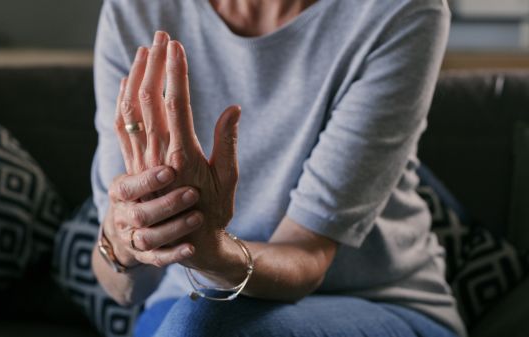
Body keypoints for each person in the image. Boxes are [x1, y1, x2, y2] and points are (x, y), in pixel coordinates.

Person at [90, 0, 466, 336]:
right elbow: (125, 288)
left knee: (202, 326)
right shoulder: (134, 10)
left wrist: (209, 248)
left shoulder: (398, 11)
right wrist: (127, 238)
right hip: (182, 304)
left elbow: (307, 256)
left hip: (372, 301)